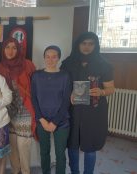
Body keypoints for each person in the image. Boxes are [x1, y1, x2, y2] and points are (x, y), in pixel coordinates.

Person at [61, 32, 115, 174]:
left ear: (95, 45)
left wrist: (102, 92)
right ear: (78, 45)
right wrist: (69, 93)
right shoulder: (68, 63)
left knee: (90, 145)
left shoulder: (104, 64)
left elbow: (111, 89)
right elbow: (61, 85)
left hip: (94, 112)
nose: (87, 47)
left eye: (91, 44)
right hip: (73, 110)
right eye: (83, 43)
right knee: (72, 144)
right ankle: (74, 172)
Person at [0, 37, 37, 174]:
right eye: (7, 47)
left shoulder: (28, 65)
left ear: (18, 49)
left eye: (14, 47)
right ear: (3, 50)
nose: (10, 51)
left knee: (23, 146)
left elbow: (36, 87)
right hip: (7, 112)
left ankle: (25, 172)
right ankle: (15, 171)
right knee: (12, 146)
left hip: (25, 111)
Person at [31, 46, 71, 174]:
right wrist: (41, 120)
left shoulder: (65, 76)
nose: (50, 59)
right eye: (47, 56)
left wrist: (55, 122)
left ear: (59, 58)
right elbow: (34, 99)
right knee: (44, 152)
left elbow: (66, 101)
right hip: (42, 120)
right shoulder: (36, 75)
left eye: (54, 56)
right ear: (44, 58)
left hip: (61, 121)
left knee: (60, 154)